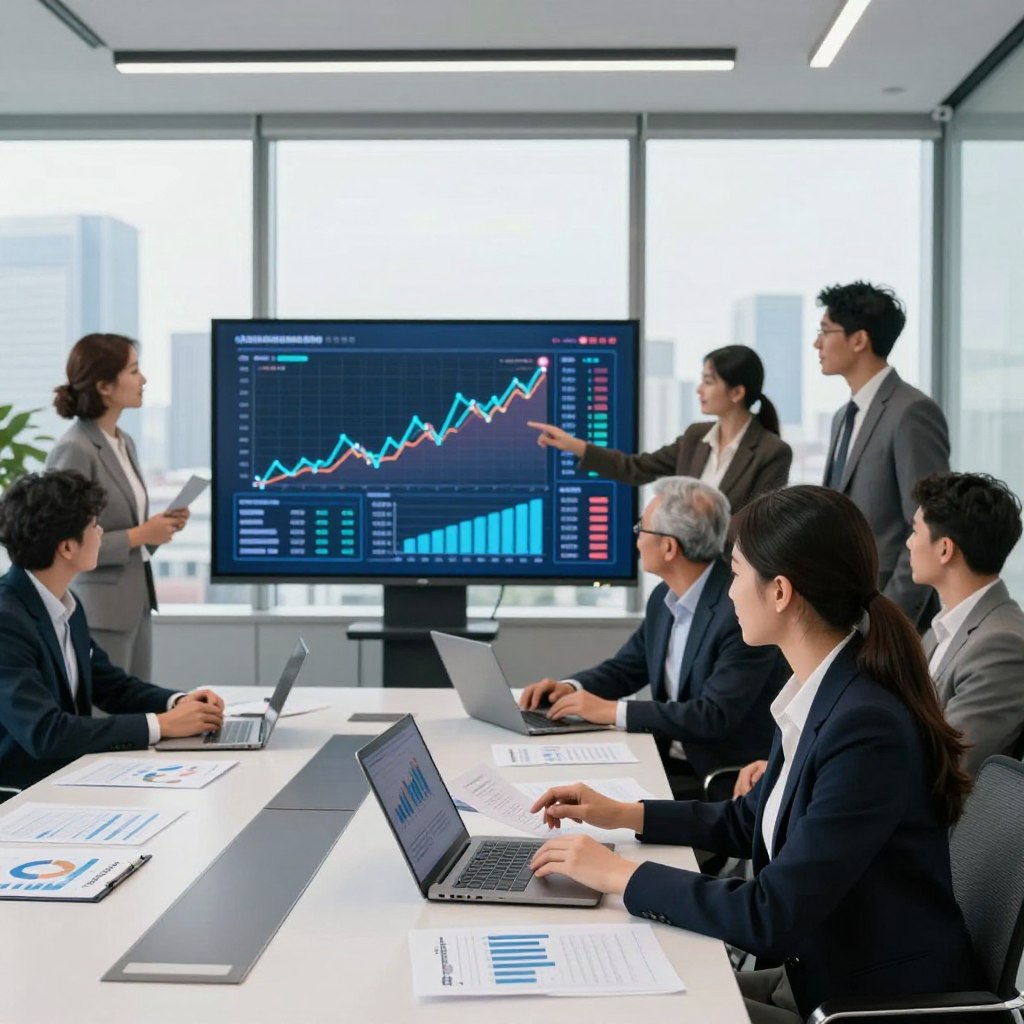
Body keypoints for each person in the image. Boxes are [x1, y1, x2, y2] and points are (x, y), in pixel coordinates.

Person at [528, 485, 979, 1023]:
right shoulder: (823, 689)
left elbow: (770, 913)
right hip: (816, 970)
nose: (731, 591)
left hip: (864, 1002)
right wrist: (621, 815)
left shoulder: (864, 726)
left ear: (781, 592)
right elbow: (751, 820)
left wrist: (619, 875)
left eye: (738, 573)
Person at [520, 476, 786, 798]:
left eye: (641, 529)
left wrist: (612, 711)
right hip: (663, 760)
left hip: (717, 778)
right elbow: (627, 667)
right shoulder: (664, 597)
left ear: (669, 546)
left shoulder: (737, 611)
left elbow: (713, 716)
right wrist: (570, 687)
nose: (636, 540)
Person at [0, 470, 224, 792]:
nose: (101, 532)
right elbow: (46, 733)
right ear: (66, 548)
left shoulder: (66, 605)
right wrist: (160, 726)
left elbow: (111, 685)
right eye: (94, 525)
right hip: (21, 796)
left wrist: (178, 703)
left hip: (66, 779)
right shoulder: (7, 621)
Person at [47, 333, 189, 678]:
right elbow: (63, 543)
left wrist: (156, 531)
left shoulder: (123, 442)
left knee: (137, 711)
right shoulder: (76, 449)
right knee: (107, 716)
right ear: (105, 386)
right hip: (100, 612)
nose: (143, 380)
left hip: (135, 604)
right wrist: (141, 534)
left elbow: (125, 532)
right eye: (134, 371)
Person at [816, 282, 949, 629]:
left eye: (825, 331)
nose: (817, 343)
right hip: (845, 610)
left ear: (859, 340)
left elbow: (928, 521)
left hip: (886, 616)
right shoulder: (843, 418)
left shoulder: (911, 411)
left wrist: (891, 621)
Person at [529, 345, 791, 514]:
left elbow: (758, 529)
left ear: (737, 392)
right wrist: (575, 446)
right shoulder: (695, 437)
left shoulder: (771, 452)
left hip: (732, 582)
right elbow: (636, 468)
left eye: (709, 382)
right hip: (685, 576)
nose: (700, 389)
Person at [908, 472, 1024, 775]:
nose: (908, 543)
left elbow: (952, 766)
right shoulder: (941, 628)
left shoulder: (1000, 643)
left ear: (945, 549)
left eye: (915, 531)